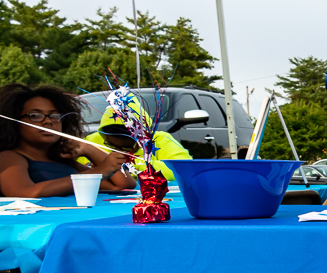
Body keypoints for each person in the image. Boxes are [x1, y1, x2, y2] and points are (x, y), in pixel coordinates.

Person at [0, 84, 136, 198]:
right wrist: (96, 172)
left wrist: (88, 149)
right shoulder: (9, 157)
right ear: (14, 122)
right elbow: (23, 193)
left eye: (55, 116)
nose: (48, 121)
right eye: (35, 116)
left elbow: (123, 184)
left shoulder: (62, 160)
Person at [85, 100, 192, 181]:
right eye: (111, 145)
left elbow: (185, 169)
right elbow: (77, 172)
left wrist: (131, 165)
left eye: (126, 147)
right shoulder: (91, 141)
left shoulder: (161, 140)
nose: (119, 151)